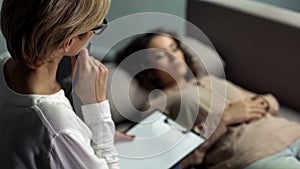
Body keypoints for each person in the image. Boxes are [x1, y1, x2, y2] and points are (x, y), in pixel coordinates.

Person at [114, 31, 300, 169]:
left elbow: (270, 102)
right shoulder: (158, 106)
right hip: (257, 155)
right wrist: (224, 119)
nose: (174, 56)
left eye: (174, 48)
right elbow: (181, 160)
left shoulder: (209, 80)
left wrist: (262, 103)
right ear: (146, 67)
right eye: (161, 55)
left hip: (291, 133)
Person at [0, 0, 120, 168]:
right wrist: (97, 108)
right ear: (69, 43)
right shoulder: (57, 127)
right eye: (96, 26)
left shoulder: (3, 61)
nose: (92, 34)